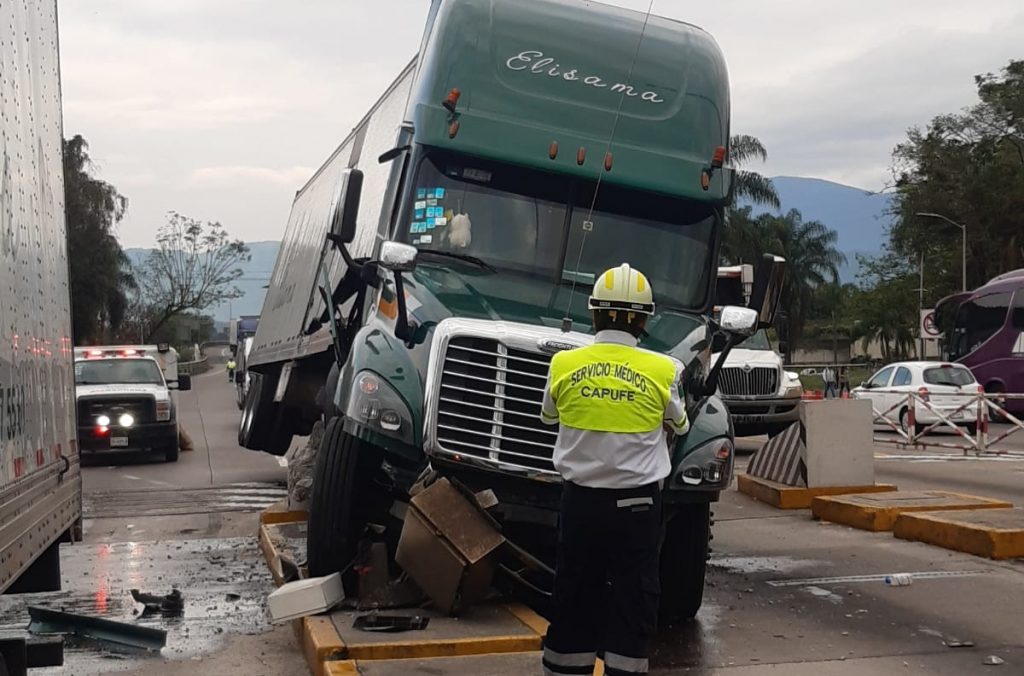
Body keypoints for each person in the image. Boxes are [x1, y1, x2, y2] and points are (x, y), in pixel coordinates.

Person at [540, 263, 689, 676]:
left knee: (574, 591)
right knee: (634, 597)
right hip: (638, 507)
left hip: (580, 503)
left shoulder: (563, 365)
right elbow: (681, 424)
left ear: (593, 313)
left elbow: (549, 418)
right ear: (644, 319)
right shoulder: (666, 369)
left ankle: (565, 667)